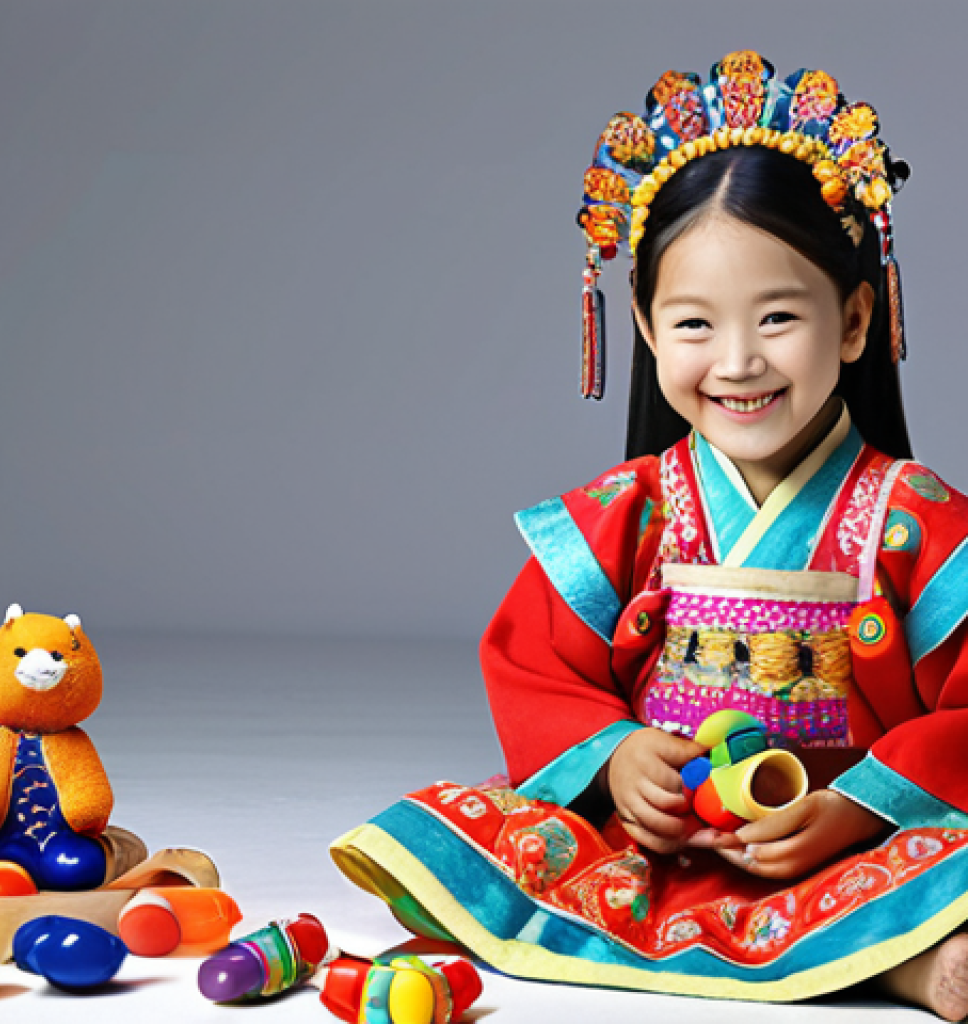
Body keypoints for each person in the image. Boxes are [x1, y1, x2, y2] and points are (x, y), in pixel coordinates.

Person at [331, 52, 968, 1019]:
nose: (739, 360)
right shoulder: (628, 510)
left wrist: (853, 808)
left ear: (854, 319)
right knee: (448, 829)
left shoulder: (913, 517)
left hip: (857, 842)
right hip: (663, 843)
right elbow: (536, 669)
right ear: (643, 323)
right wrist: (618, 756)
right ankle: (883, 961)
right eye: (695, 324)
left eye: (780, 316)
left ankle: (900, 950)